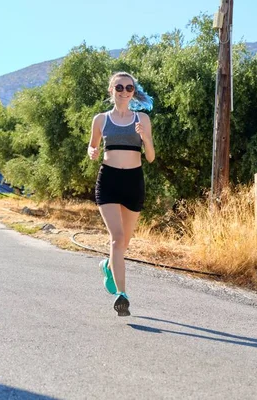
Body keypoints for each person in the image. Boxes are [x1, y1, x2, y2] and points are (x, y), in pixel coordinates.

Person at [88, 71, 155, 317]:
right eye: (119, 87)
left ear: (133, 91)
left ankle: (107, 265)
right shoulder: (101, 119)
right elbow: (93, 145)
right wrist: (91, 152)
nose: (124, 92)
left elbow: (150, 156)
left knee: (124, 243)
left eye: (129, 88)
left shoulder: (143, 119)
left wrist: (145, 138)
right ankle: (122, 294)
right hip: (109, 180)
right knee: (116, 238)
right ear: (111, 90)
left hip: (133, 181)